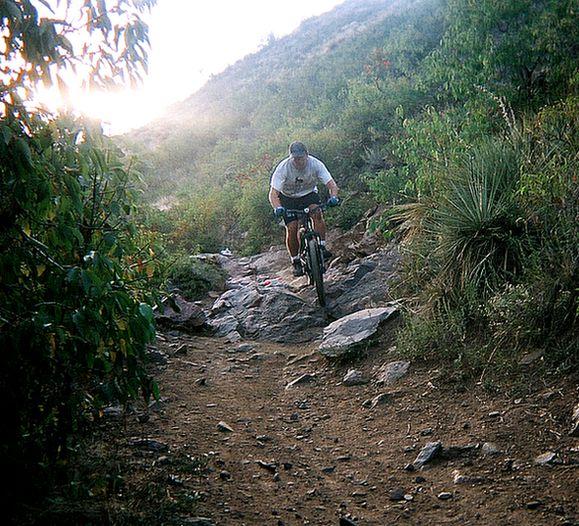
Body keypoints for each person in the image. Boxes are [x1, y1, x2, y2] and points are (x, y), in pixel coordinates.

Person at [269, 141, 339, 277]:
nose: (298, 161)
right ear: (291, 157)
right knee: (292, 227)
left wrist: (334, 197)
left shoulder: (316, 164)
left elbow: (332, 185)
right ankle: (295, 261)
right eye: (295, 158)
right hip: (288, 198)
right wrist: (277, 207)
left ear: (307, 155)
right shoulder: (283, 167)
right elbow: (273, 194)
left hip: (308, 194)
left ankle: (322, 247)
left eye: (301, 157)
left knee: (317, 213)